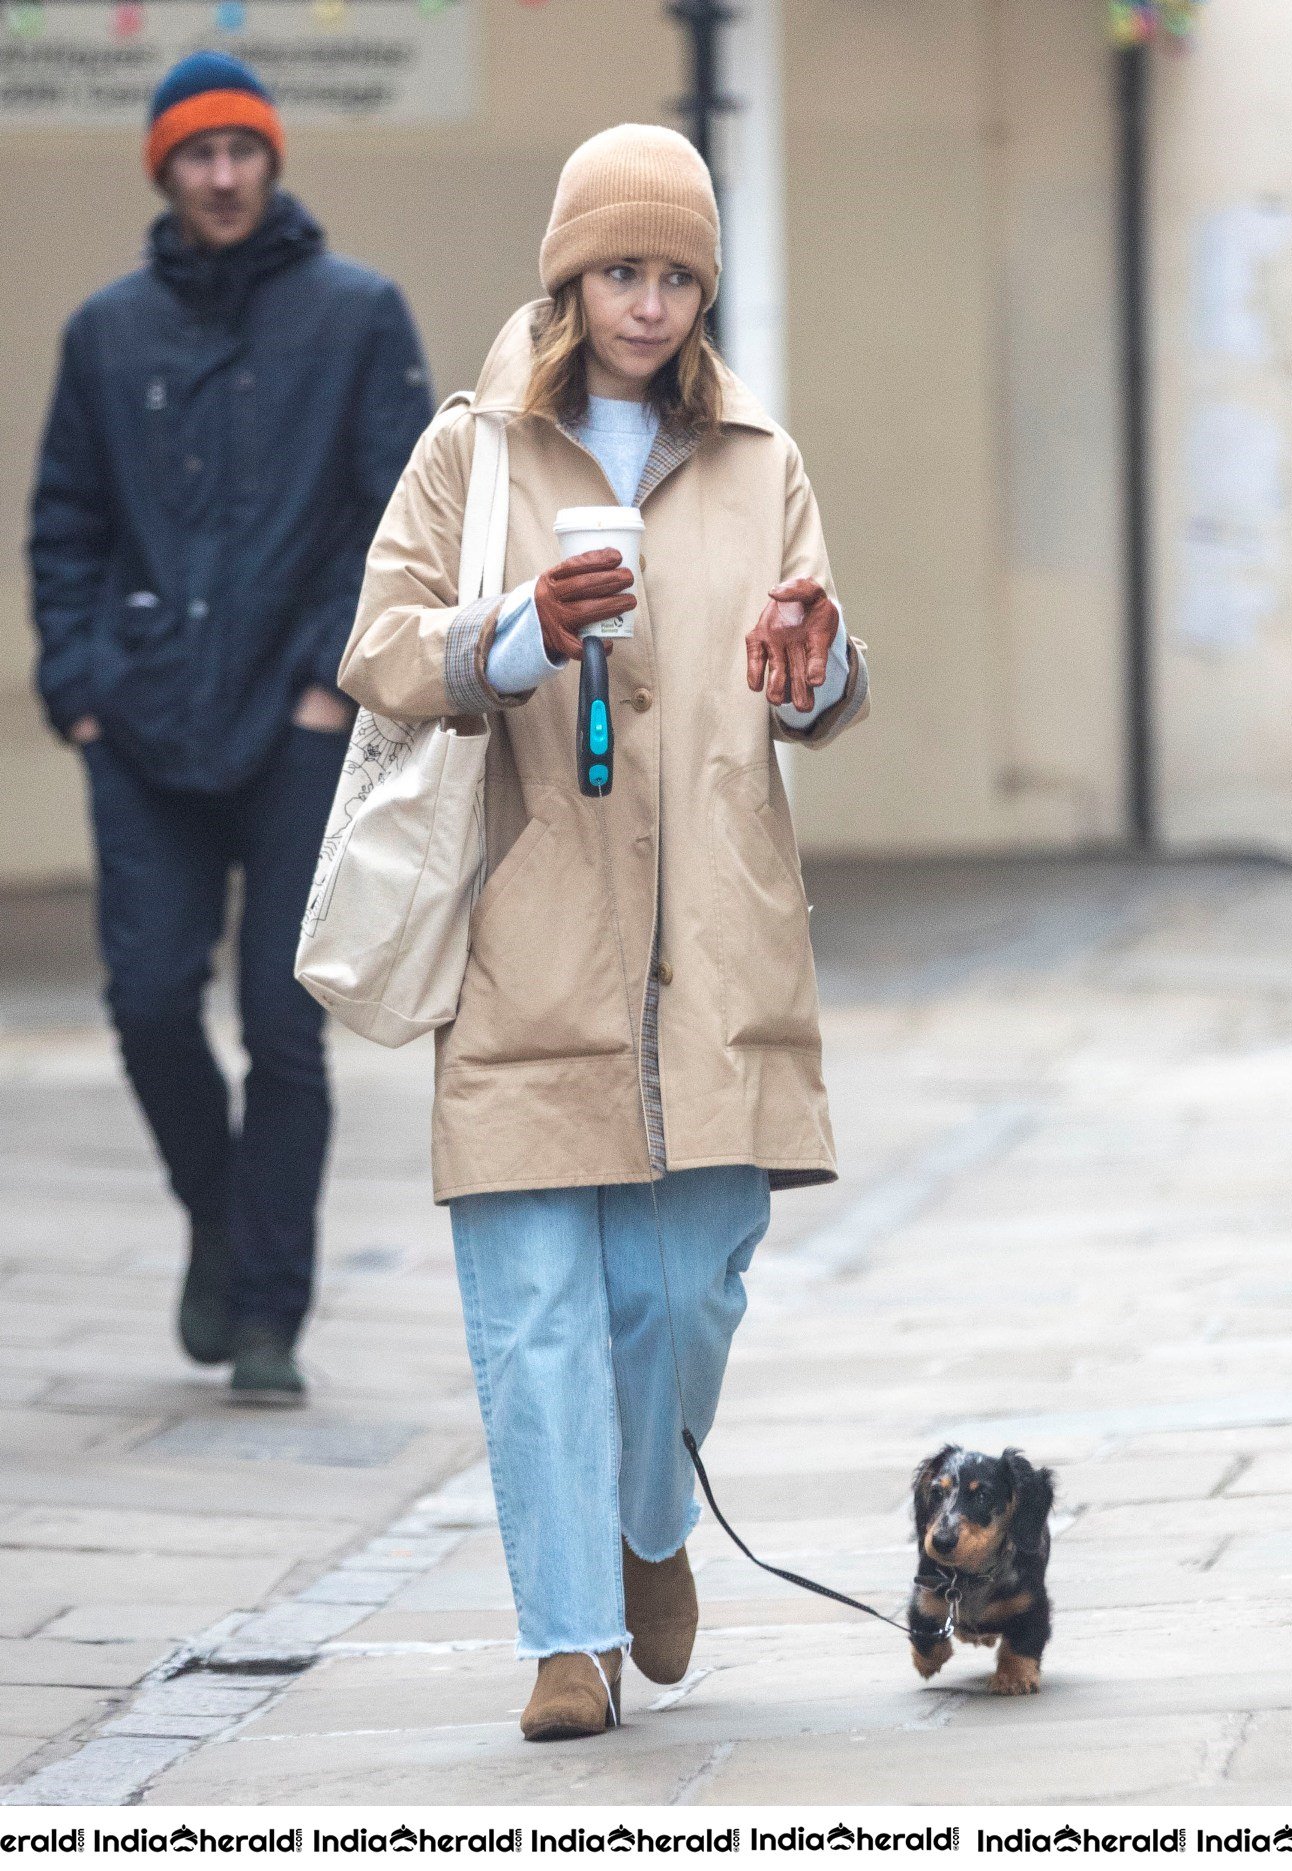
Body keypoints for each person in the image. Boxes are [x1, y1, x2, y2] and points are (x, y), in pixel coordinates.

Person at [339, 123, 869, 1739]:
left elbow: (821, 680)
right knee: (536, 1313)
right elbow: (381, 649)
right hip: (527, 927)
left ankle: (652, 1532)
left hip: (714, 936)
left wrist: (818, 663)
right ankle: (566, 1640)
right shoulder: (473, 452)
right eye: (622, 270)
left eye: (675, 275)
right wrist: (510, 635)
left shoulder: (760, 457)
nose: (648, 303)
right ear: (570, 275)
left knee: (685, 1294)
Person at [29, 51, 434, 1403]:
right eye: (194, 155)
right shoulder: (107, 333)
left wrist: (333, 677)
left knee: (284, 1022)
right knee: (148, 1003)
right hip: (139, 725)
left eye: (239, 151)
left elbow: (399, 519)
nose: (219, 175)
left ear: (271, 161)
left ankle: (268, 1313)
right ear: (164, 169)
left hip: (298, 720)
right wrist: (78, 690)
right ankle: (222, 1211)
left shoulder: (359, 316)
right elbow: (64, 523)